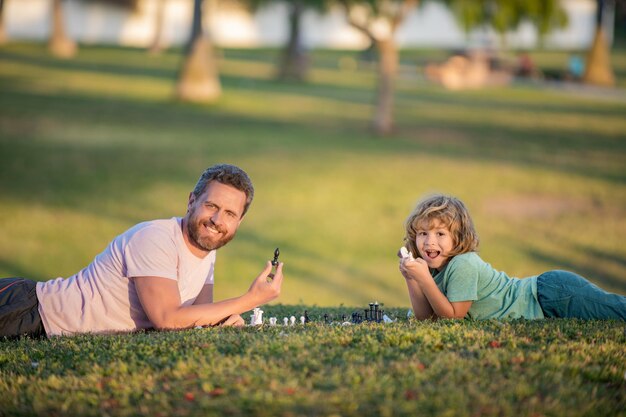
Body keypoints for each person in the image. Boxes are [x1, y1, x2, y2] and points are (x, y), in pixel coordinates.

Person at [0, 164, 284, 338]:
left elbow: (198, 315)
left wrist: (223, 319)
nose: (217, 221)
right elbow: (168, 319)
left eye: (229, 214)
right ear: (192, 201)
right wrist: (248, 301)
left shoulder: (207, 249)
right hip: (27, 310)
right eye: (211, 206)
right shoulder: (156, 238)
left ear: (239, 221)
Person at [399, 194, 626, 321]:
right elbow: (427, 318)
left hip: (551, 294)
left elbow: (453, 317)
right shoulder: (433, 269)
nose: (429, 242)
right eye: (423, 233)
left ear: (458, 238)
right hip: (549, 299)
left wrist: (425, 280)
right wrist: (413, 279)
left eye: (440, 234)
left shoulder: (463, 263)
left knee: (617, 311)